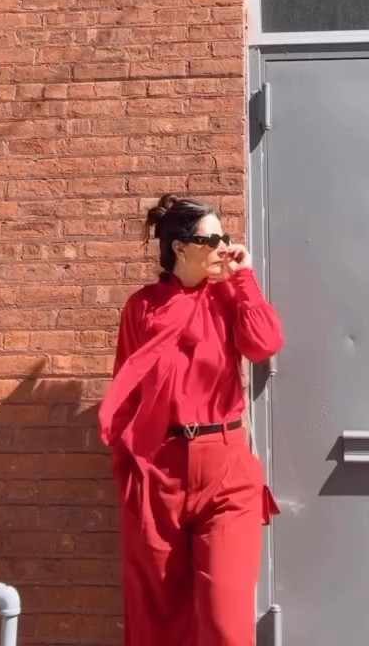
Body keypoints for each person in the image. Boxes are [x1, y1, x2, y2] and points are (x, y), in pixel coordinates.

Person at [98, 193, 284, 646]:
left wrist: (245, 279)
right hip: (159, 471)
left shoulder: (227, 295)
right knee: (158, 622)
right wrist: (130, 470)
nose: (224, 247)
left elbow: (264, 343)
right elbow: (127, 392)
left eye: (226, 237)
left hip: (225, 472)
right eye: (212, 239)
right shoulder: (143, 306)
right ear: (180, 248)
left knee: (226, 626)